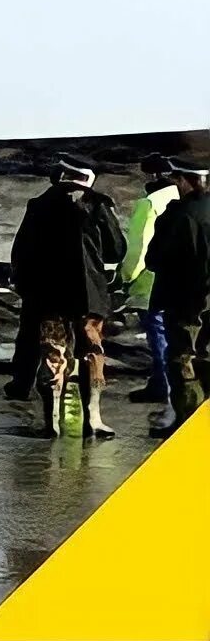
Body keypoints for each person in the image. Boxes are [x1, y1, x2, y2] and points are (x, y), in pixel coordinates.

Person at [10, 154, 126, 439]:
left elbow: (21, 252)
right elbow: (116, 250)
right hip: (90, 298)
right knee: (92, 354)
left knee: (53, 355)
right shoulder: (98, 205)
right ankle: (93, 420)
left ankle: (52, 423)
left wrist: (26, 288)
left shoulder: (39, 205)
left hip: (49, 297)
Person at [144, 158, 210, 439]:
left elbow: (155, 260)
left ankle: (189, 427)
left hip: (187, 301)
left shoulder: (180, 216)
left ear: (185, 181)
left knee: (184, 360)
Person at [118, 154, 181, 428]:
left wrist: (124, 279)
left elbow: (138, 247)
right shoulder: (186, 201)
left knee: (160, 341)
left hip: (150, 284)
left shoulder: (150, 204)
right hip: (181, 283)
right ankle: (157, 385)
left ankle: (166, 393)